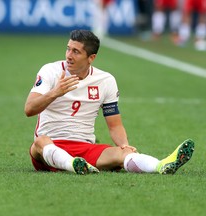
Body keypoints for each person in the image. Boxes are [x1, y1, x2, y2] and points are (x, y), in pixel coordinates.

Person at [24, 29, 194, 175]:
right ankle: (72, 165)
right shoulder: (50, 71)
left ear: (91, 57)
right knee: (40, 142)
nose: (69, 55)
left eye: (76, 52)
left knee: (121, 155)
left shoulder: (105, 80)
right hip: (49, 147)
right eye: (68, 49)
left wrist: (125, 145)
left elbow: (115, 125)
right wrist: (55, 92)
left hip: (85, 149)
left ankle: (161, 165)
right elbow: (29, 109)